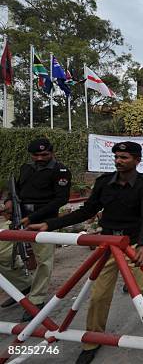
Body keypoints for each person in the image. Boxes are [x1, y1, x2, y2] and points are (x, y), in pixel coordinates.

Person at [27, 141, 143, 364]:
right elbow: (87, 210)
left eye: (124, 157)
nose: (119, 161)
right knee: (98, 295)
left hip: (131, 245)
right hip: (107, 246)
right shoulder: (104, 183)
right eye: (116, 157)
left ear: (136, 160)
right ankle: (92, 340)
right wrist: (49, 224)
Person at [0, 138, 71, 321]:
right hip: (19, 217)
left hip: (44, 220)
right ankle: (24, 286)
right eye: (36, 155)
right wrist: (8, 201)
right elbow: (16, 188)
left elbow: (61, 199)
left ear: (52, 152)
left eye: (44, 154)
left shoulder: (60, 171)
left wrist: (32, 218)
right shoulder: (26, 168)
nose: (40, 158)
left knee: (44, 261)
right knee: (3, 253)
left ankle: (36, 299)